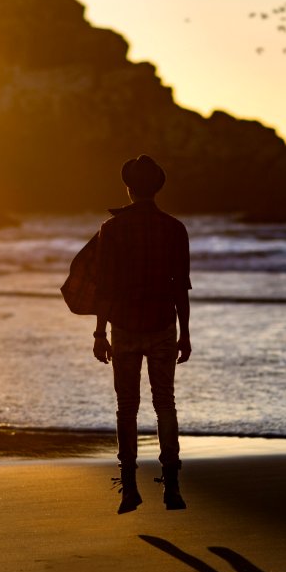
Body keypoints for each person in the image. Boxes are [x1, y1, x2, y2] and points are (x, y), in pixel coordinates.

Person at [93, 154, 191, 514]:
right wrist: (186, 333)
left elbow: (104, 287)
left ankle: (130, 489)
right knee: (165, 404)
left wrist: (99, 332)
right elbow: (181, 287)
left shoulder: (113, 229)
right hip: (164, 324)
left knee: (126, 408)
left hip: (125, 327)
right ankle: (172, 487)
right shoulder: (174, 228)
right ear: (157, 188)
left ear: (129, 189)